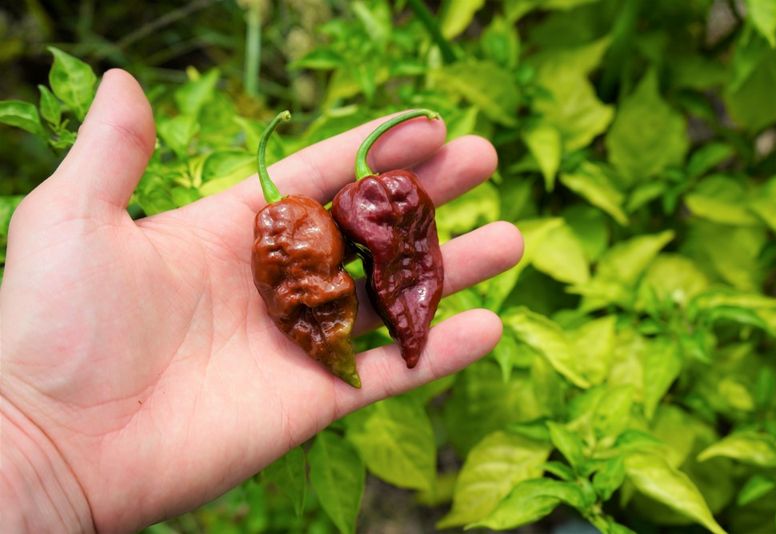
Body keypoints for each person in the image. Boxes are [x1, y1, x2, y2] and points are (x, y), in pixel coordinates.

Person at [0, 70, 523, 533]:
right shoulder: (287, 224)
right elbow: (310, 289)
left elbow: (405, 262)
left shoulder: (351, 208)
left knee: (405, 274)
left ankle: (410, 335)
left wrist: (36, 438)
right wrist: (33, 429)